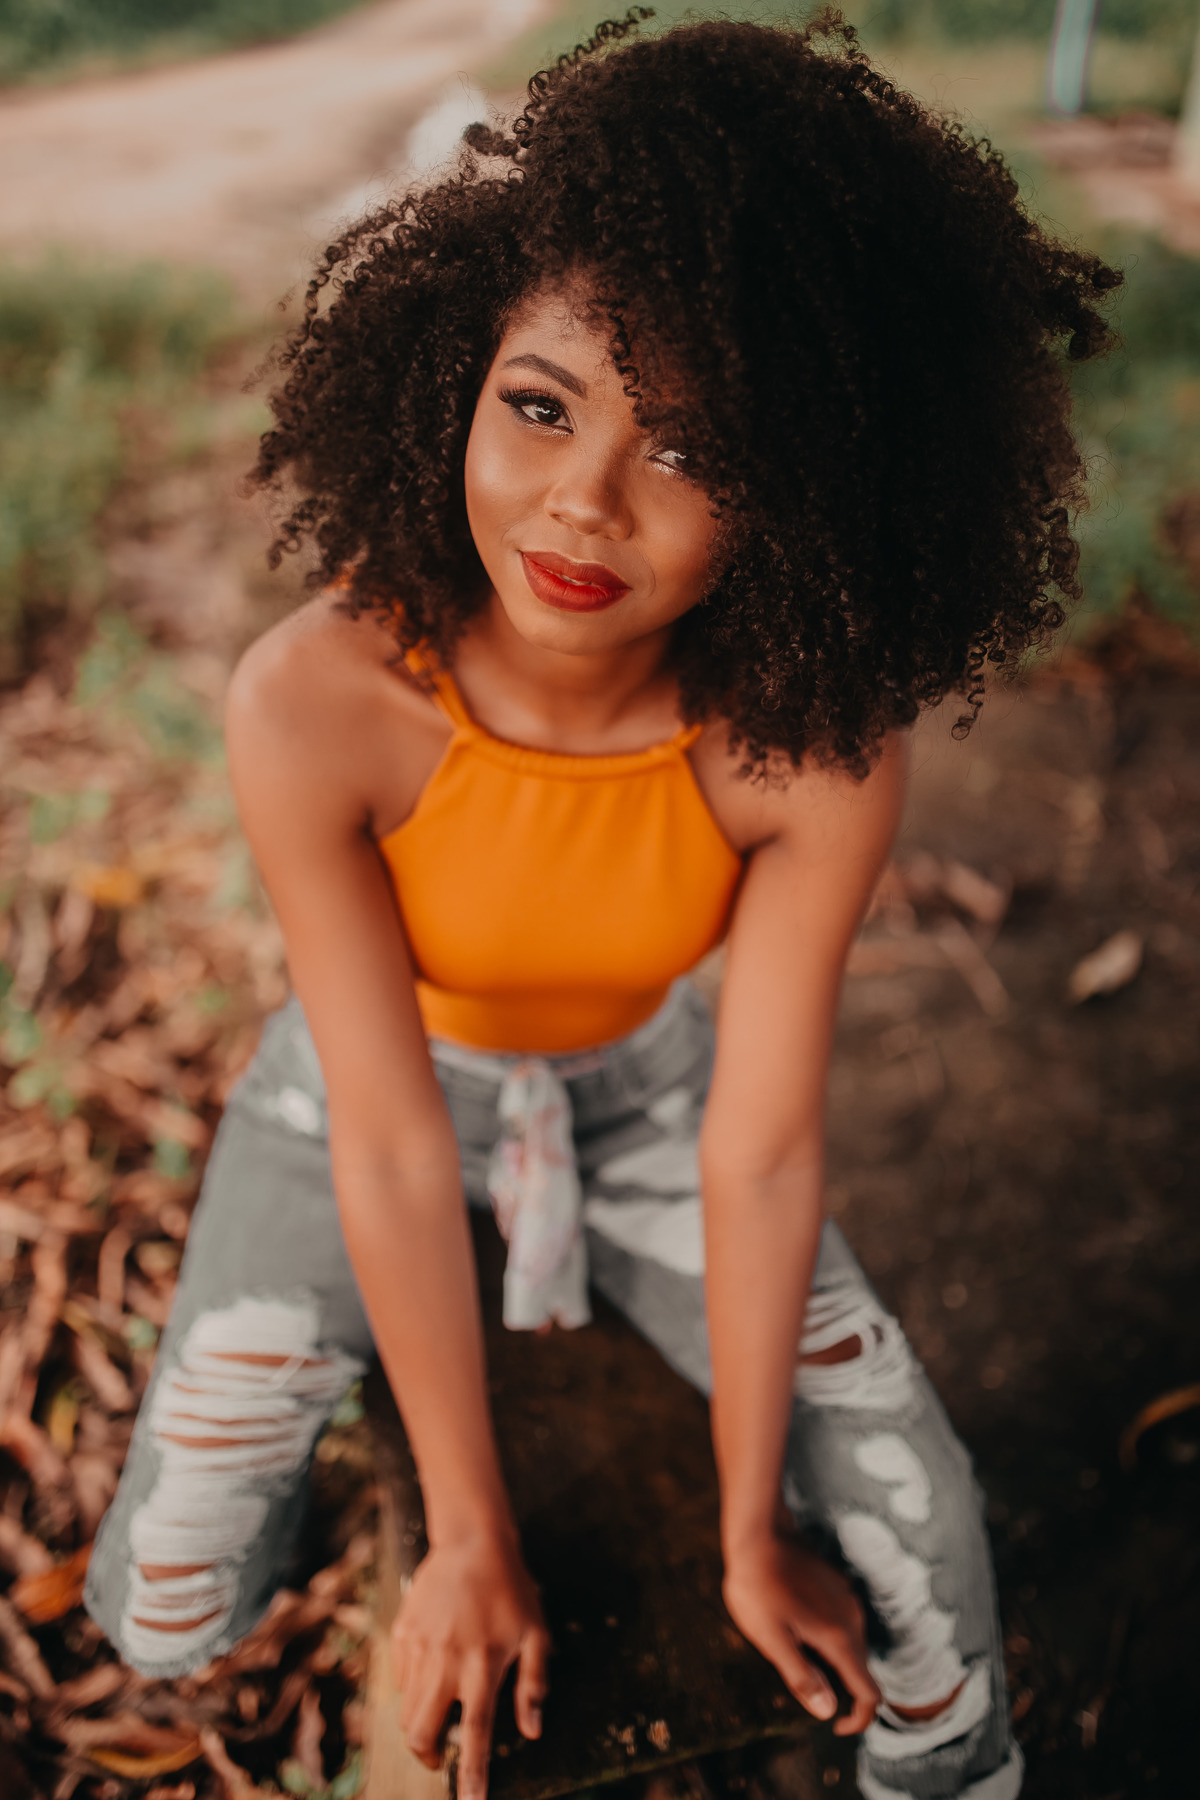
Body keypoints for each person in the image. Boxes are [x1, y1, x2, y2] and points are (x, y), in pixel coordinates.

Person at [85, 12, 1119, 1799]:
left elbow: (765, 1150)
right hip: (365, 1095)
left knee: (931, 1580)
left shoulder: (805, 749)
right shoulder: (316, 700)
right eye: (541, 404)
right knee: (166, 1615)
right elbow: (397, 1146)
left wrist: (746, 1530)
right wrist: (473, 1537)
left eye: (697, 453)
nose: (586, 500)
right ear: (453, 377)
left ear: (803, 498)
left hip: (646, 1093)